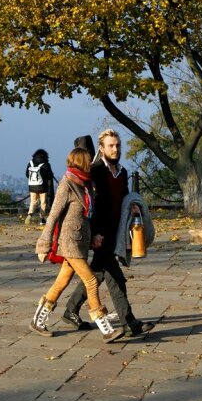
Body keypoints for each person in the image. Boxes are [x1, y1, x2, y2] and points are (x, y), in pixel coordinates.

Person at [62, 129, 155, 337]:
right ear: (101, 148)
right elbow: (87, 205)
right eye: (110, 146)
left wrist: (132, 207)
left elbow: (121, 199)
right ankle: (129, 323)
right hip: (99, 235)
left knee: (96, 274)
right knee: (116, 278)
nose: (115, 149)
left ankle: (70, 310)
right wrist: (94, 233)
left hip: (115, 232)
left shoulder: (122, 173)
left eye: (117, 145)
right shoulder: (94, 171)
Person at [32, 148, 123, 343]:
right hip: (69, 242)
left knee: (62, 281)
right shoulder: (68, 183)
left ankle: (38, 320)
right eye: (88, 160)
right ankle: (104, 326)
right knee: (90, 281)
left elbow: (86, 216)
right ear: (81, 161)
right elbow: (53, 215)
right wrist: (43, 245)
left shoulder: (85, 184)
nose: (90, 163)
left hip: (81, 241)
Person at [25, 149, 54, 226]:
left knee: (33, 201)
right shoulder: (46, 164)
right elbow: (49, 176)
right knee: (43, 203)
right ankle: (42, 219)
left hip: (32, 186)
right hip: (42, 187)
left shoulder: (30, 163)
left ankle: (30, 214)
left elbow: (27, 174)